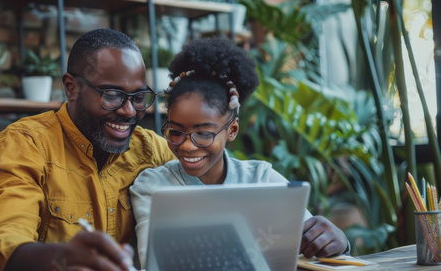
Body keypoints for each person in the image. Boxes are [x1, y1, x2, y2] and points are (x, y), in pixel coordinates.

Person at [129, 37, 350, 268]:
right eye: (175, 132)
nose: (186, 145)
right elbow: (152, 263)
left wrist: (338, 241)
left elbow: (313, 240)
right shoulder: (152, 187)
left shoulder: (262, 179)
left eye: (203, 133)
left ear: (232, 130)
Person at [0, 28, 175, 271]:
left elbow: (208, 185)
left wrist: (218, 104)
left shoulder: (150, 149)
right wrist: (62, 258)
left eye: (138, 96)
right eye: (111, 95)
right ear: (71, 88)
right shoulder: (25, 143)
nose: (129, 111)